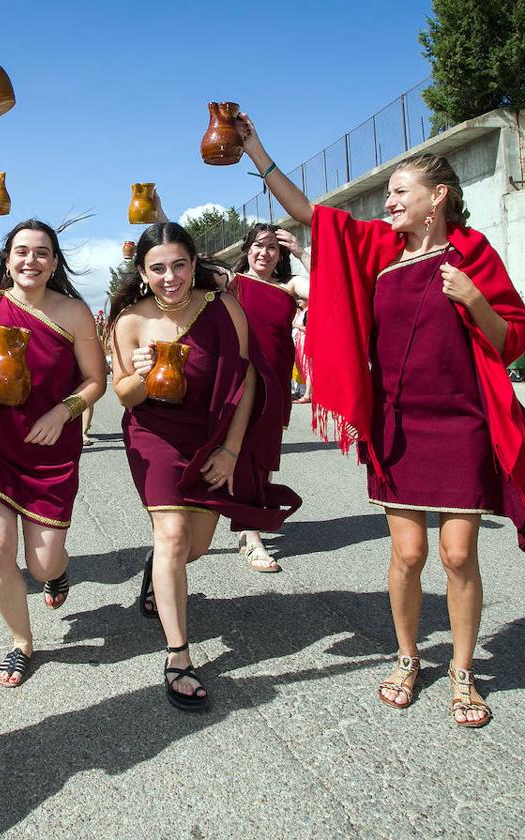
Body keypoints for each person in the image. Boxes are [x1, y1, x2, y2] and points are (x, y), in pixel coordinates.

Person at [239, 113, 525, 728]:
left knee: (456, 555)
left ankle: (464, 671)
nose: (389, 201)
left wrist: (474, 299)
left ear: (437, 198)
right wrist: (258, 152)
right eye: (389, 193)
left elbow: (510, 344)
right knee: (408, 552)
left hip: (461, 423)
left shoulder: (474, 254)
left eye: (400, 192)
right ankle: (407, 657)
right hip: (399, 422)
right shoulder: (379, 248)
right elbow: (315, 216)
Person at [107, 222, 299, 711]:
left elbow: (247, 377)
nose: (169, 277)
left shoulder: (224, 307)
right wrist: (144, 371)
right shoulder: (129, 321)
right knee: (172, 536)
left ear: (194, 264)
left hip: (211, 436)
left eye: (179, 265)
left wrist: (231, 450)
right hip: (154, 437)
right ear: (142, 272)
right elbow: (125, 396)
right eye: (157, 268)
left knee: (193, 547)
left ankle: (157, 569)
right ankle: (178, 657)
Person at [0, 220, 106, 687]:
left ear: (54, 262)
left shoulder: (73, 312)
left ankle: (58, 574)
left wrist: (62, 413)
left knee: (42, 563)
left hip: (48, 448)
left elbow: (96, 380)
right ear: (6, 259)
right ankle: (21, 642)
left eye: (41, 253)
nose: (30, 261)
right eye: (21, 252)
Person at [217, 223, 311, 572]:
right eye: (258, 245)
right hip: (240, 380)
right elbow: (187, 264)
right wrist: (161, 215)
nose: (265, 253)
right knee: (244, 454)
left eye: (273, 247)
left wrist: (302, 252)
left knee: (264, 456)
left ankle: (248, 522)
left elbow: (324, 291)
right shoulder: (232, 281)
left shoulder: (288, 286)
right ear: (247, 249)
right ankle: (251, 533)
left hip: (276, 383)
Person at [292, 300, 311, 403]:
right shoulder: (303, 311)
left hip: (305, 342)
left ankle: (307, 394)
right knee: (303, 368)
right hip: (300, 342)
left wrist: (295, 325)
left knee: (308, 367)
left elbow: (308, 328)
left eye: (301, 298)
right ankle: (305, 393)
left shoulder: (309, 311)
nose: (298, 300)